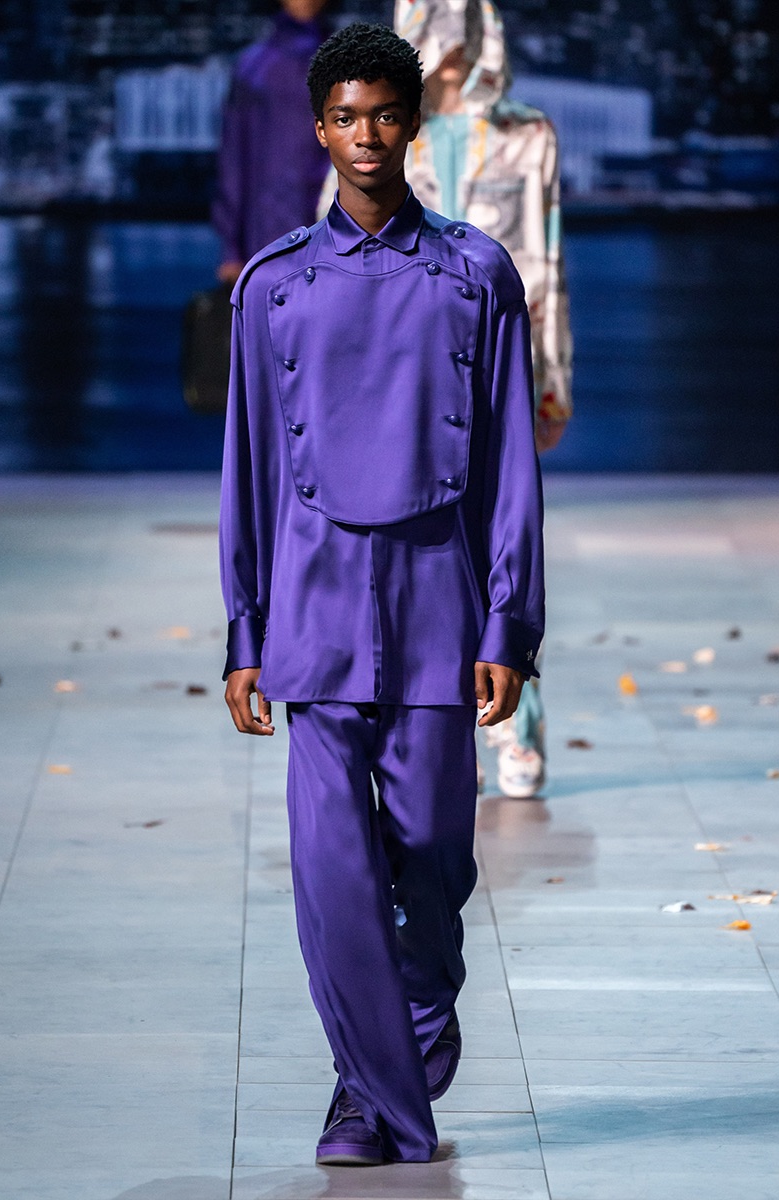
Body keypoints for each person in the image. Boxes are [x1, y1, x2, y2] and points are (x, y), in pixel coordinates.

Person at [220, 21, 544, 1166]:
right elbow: (250, 466)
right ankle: (369, 1101)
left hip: (435, 611)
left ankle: (408, 1034)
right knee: (330, 871)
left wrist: (509, 622)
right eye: (343, 117)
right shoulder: (272, 287)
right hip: (312, 614)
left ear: (411, 124)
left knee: (434, 859)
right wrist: (244, 632)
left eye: (383, 115)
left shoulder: (476, 275)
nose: (364, 135)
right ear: (319, 129)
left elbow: (507, 464)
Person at [389, 0, 571, 798]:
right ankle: (432, 731)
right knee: (420, 544)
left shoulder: (530, 133)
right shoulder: (389, 125)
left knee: (506, 539)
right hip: (408, 364)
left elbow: (547, 258)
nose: (448, 37)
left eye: (460, 17)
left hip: (502, 357)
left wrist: (553, 375)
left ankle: (515, 726)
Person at [212, 0, 333, 285]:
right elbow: (234, 158)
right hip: (266, 231)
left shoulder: (346, 64)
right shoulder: (253, 68)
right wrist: (232, 249)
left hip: (333, 223)